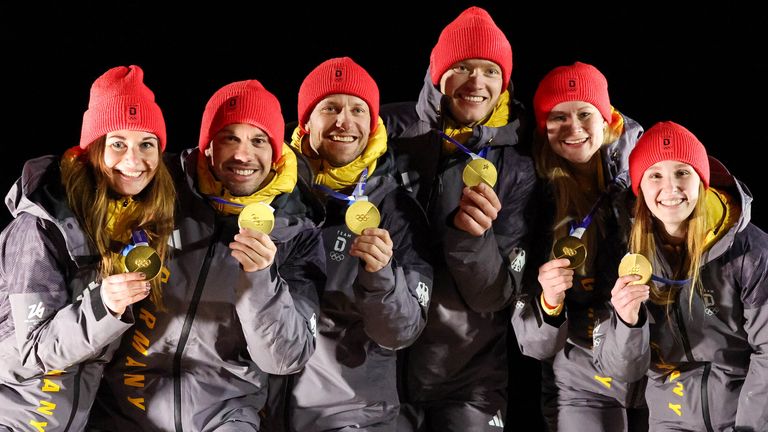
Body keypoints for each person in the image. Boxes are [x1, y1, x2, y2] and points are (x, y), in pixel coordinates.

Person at [89, 79, 325, 431]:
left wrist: (260, 280)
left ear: (276, 153)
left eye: (258, 140)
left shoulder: (298, 230)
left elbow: (285, 358)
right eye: (230, 138)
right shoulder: (160, 189)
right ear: (208, 146)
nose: (243, 155)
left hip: (225, 413)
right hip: (126, 406)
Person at [381, 7, 536, 430]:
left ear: (504, 83)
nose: (476, 82)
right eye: (462, 67)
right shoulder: (385, 132)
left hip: (467, 376)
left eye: (490, 70)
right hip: (372, 372)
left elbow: (494, 295)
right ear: (437, 74)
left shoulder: (517, 161)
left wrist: (470, 239)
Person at [0, 65, 174, 431]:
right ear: (92, 148)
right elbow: (33, 351)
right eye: (118, 144)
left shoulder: (131, 224)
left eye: (147, 144)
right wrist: (104, 306)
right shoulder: (40, 227)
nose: (134, 160)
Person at [265, 56, 433, 432]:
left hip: (354, 413)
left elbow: (402, 332)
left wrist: (382, 279)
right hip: (257, 406)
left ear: (373, 124)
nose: (345, 121)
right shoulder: (269, 190)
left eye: (358, 109)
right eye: (330, 107)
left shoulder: (396, 208)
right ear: (306, 121)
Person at [598, 121, 768, 431]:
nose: (671, 188)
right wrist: (627, 322)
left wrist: (749, 428)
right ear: (640, 189)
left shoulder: (749, 249)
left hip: (743, 410)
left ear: (702, 181)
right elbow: (623, 371)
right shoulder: (626, 254)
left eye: (682, 172)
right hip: (670, 415)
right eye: (655, 175)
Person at [513, 61, 646, 432]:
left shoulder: (650, 173)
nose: (573, 128)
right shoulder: (531, 194)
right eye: (558, 116)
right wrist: (549, 303)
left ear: (608, 120)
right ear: (542, 127)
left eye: (585, 113)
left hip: (658, 367)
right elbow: (533, 342)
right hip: (580, 375)